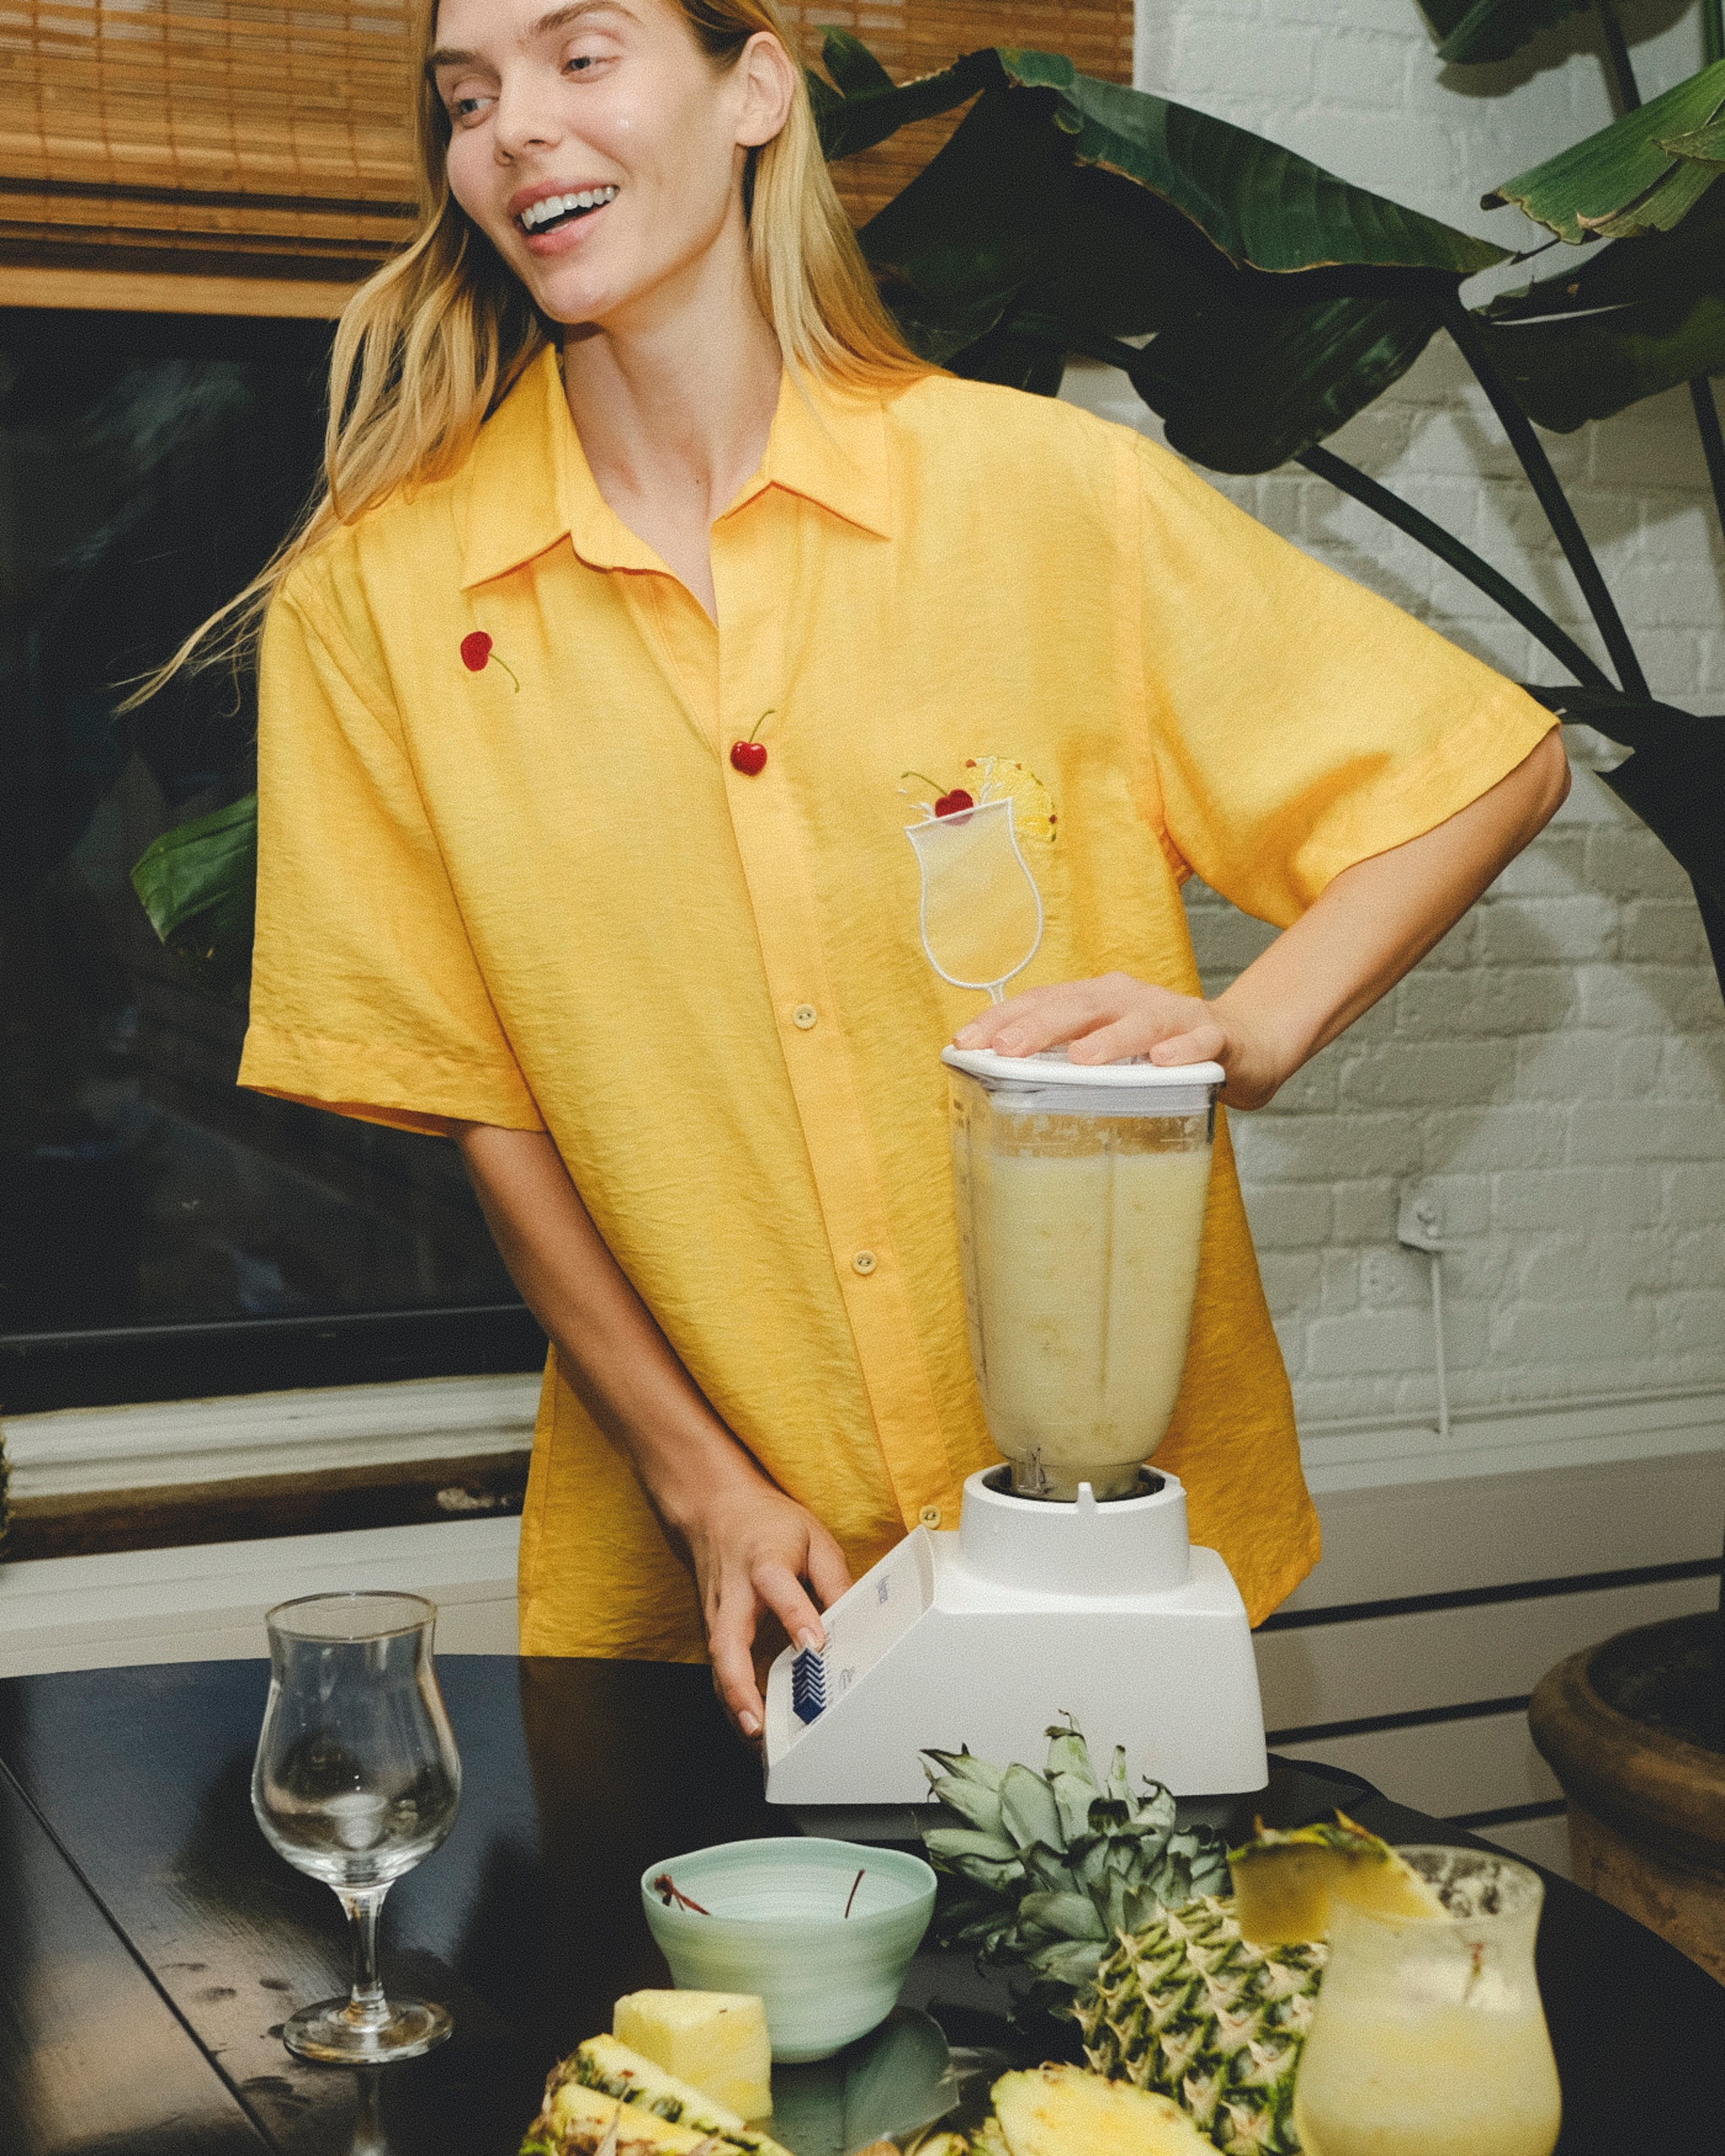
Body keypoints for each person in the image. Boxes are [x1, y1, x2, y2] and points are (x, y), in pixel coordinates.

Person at [206, 0, 1568, 1738]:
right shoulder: (374, 604)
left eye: (580, 56)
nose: (513, 129)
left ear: (756, 89)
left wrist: (1252, 1031)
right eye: (465, 100)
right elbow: (489, 1114)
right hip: (719, 1598)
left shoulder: (1048, 497)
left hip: (1111, 1550)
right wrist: (703, 1481)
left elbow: (1481, 767)